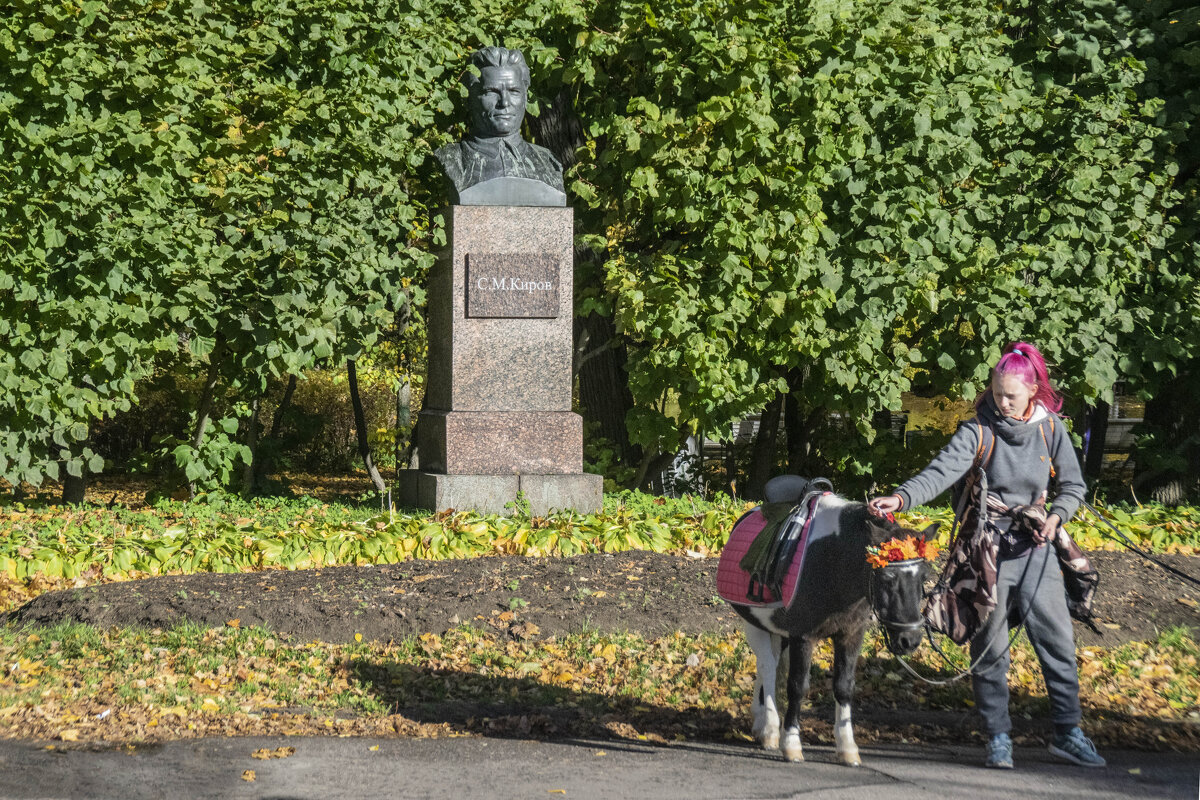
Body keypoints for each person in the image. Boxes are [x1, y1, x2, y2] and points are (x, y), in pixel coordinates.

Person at [869, 342, 1105, 770]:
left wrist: (1056, 518)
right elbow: (940, 472)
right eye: (997, 393)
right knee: (989, 647)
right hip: (988, 553)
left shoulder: (1051, 429)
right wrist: (901, 499)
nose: (1002, 401)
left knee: (1058, 644)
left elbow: (1073, 487)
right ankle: (998, 738)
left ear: (1033, 391)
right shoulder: (978, 430)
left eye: (1011, 395)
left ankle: (1068, 733)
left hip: (1036, 553)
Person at [433, 46, 565, 202]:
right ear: (468, 99)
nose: (504, 102)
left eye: (514, 91)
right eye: (491, 92)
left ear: (525, 97)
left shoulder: (548, 162)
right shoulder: (452, 158)